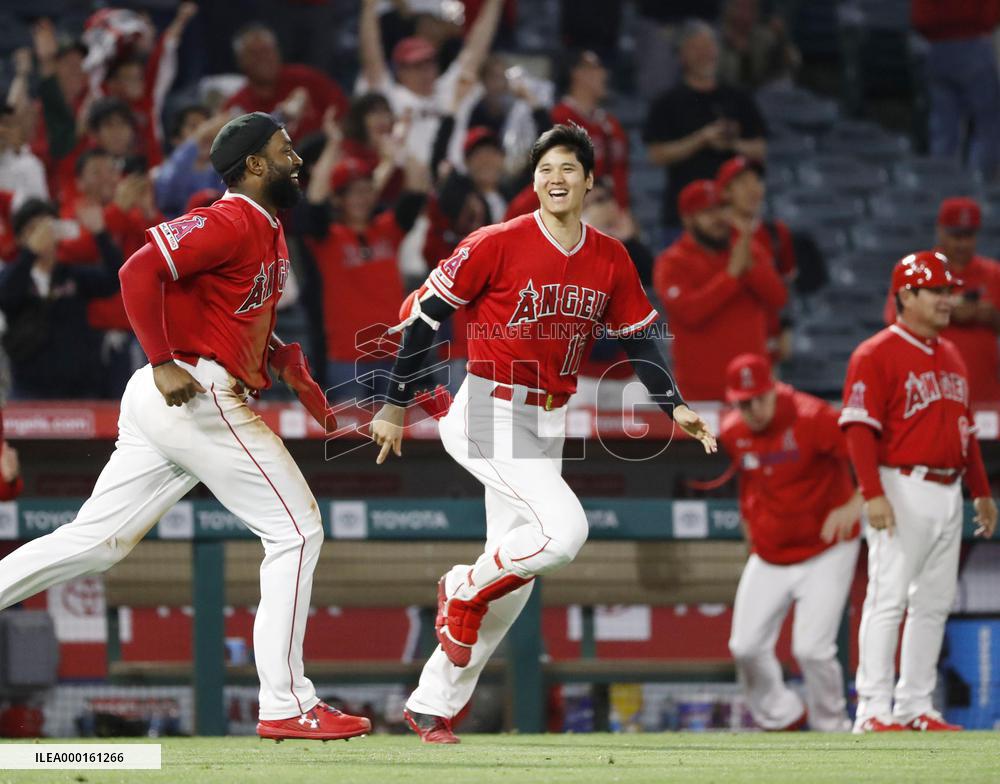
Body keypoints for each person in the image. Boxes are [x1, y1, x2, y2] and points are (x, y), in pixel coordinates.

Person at [0, 113, 370, 742]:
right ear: (253, 164)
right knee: (297, 530)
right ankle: (287, 704)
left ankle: (288, 702)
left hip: (179, 395)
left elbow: (228, 311)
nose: (297, 160)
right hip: (192, 392)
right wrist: (163, 359)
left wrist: (277, 355)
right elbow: (136, 273)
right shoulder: (229, 217)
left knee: (96, 541)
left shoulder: (269, 228)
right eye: (285, 151)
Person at [368, 124, 717, 743]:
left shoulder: (609, 255)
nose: (556, 179)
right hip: (486, 409)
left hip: (547, 418)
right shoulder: (497, 241)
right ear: (534, 180)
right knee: (563, 533)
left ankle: (431, 704)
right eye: (545, 169)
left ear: (589, 180)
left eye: (568, 168)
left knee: (516, 588)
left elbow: (638, 338)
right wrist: (395, 403)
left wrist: (673, 404)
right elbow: (424, 316)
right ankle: (461, 589)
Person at [840, 251, 998, 732]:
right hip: (899, 484)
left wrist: (981, 492)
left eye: (949, 291)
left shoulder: (952, 355)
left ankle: (915, 705)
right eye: (937, 291)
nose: (948, 299)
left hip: (949, 490)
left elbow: (966, 432)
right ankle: (871, 708)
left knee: (933, 603)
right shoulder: (875, 352)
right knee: (887, 599)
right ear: (906, 295)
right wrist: (871, 491)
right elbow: (858, 428)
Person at [720, 353, 861, 732]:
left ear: (773, 388)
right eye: (742, 402)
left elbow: (869, 453)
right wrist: (750, 525)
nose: (751, 409)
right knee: (745, 647)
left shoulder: (813, 416)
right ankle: (782, 715)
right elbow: (749, 481)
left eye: (757, 399)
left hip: (827, 546)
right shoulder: (733, 430)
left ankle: (832, 728)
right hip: (771, 551)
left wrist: (858, 502)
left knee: (812, 649)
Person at [301, 109, 430, 402]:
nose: (362, 198)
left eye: (366, 190)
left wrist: (398, 150)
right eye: (353, 192)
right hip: (348, 359)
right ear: (339, 200)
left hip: (393, 354)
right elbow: (315, 198)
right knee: (351, 444)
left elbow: (418, 184)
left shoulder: (388, 229)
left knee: (395, 440)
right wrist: (334, 143)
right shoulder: (326, 237)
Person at [653, 179, 786, 401]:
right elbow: (690, 313)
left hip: (752, 388)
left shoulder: (748, 250)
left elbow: (778, 299)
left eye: (722, 208)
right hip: (699, 392)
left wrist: (750, 267)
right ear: (688, 219)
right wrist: (732, 276)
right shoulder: (672, 262)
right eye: (707, 211)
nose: (719, 218)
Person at [643, 20, 767, 230]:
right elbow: (656, 155)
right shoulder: (667, 102)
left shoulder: (738, 97)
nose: (704, 54)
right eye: (696, 48)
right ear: (682, 56)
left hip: (733, 213)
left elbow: (760, 149)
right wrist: (702, 139)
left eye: (709, 46)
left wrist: (732, 145)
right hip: (685, 216)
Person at [0, 198, 122, 399]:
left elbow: (115, 279)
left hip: (79, 389)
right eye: (34, 230)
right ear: (21, 238)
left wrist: (100, 234)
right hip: (28, 390)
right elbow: (6, 297)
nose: (43, 236)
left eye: (47, 228)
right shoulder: (14, 276)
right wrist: (30, 253)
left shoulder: (72, 275)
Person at [881, 197, 1000, 403]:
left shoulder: (993, 274)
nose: (962, 243)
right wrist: (948, 309)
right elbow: (894, 321)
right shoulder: (917, 270)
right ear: (940, 231)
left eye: (968, 236)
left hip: (984, 396)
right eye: (956, 236)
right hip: (929, 393)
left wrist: (990, 317)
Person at [357, 0, 504, 164]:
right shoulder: (391, 97)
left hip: (451, 182)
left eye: (429, 63)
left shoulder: (449, 91)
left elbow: (477, 48)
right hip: (408, 181)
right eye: (417, 65)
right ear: (400, 70)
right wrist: (369, 7)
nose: (425, 71)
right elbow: (371, 58)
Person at [717, 155, 796, 362]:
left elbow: (787, 283)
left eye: (757, 181)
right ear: (725, 192)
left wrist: (787, 328)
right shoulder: (714, 234)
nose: (753, 190)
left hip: (767, 344)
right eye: (742, 183)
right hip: (723, 341)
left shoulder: (776, 233)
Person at [913, 0, 1000, 180]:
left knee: (943, 129)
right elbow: (990, 16)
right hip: (974, 45)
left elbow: (920, 19)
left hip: (937, 49)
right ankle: (978, 187)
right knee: (986, 127)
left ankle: (943, 188)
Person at [223, 23, 349, 142]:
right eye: (254, 54)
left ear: (278, 52)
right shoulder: (236, 106)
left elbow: (344, 113)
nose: (263, 58)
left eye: (267, 51)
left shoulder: (306, 79)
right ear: (241, 61)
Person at [551, 50, 630, 208]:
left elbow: (621, 176)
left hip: (614, 220)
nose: (604, 73)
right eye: (595, 67)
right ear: (576, 74)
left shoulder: (612, 125)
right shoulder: (558, 119)